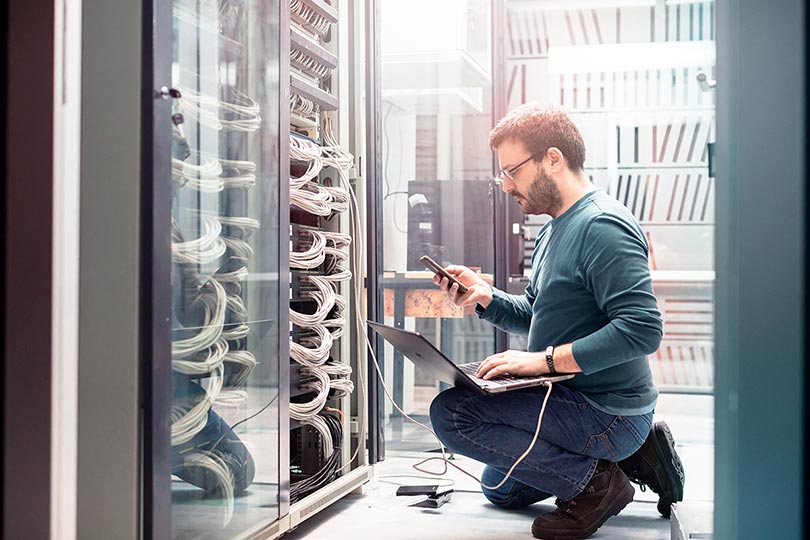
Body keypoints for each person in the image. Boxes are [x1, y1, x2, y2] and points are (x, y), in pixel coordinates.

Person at [428, 104, 685, 539]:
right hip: (568, 395)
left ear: (552, 158)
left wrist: (540, 363)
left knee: (454, 414)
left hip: (607, 409)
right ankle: (633, 457)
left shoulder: (602, 225)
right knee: (499, 489)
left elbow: (643, 329)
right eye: (502, 175)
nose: (506, 186)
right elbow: (536, 313)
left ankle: (600, 482)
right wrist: (485, 298)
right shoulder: (551, 229)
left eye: (512, 171)